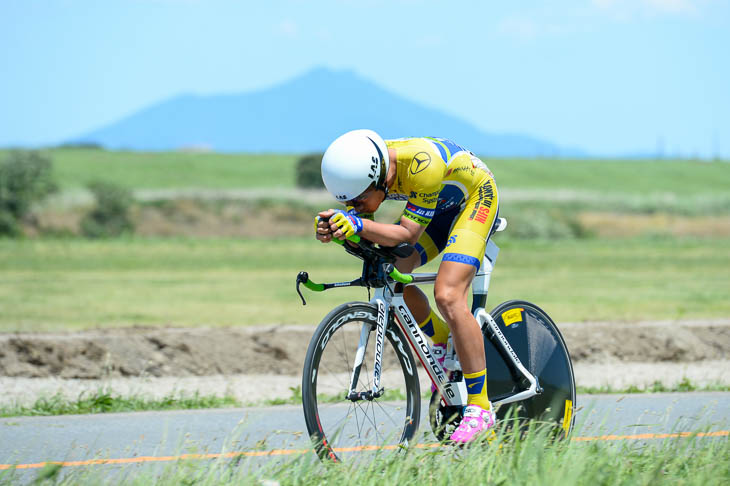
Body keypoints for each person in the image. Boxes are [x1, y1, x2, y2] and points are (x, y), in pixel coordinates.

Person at [314, 129, 499, 444]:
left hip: (473, 201)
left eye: (358, 200)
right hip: (438, 210)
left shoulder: (420, 165)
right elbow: (377, 233)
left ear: (379, 179)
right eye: (346, 203)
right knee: (391, 275)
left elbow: (407, 235)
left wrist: (359, 225)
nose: (355, 207)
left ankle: (480, 407)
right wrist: (340, 229)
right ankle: (443, 343)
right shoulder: (371, 172)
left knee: (448, 294)